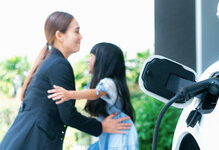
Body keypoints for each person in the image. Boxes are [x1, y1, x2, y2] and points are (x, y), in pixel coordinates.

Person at [0, 12, 131, 150]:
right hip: (33, 142)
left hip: (24, 140)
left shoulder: (51, 62)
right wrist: (101, 127)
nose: (81, 36)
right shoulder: (59, 65)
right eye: (76, 31)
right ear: (59, 35)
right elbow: (68, 115)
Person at [48, 42, 138, 150]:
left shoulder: (109, 83)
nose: (88, 60)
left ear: (102, 60)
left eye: (91, 56)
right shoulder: (100, 83)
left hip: (120, 131)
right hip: (112, 131)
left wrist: (69, 94)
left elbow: (95, 93)